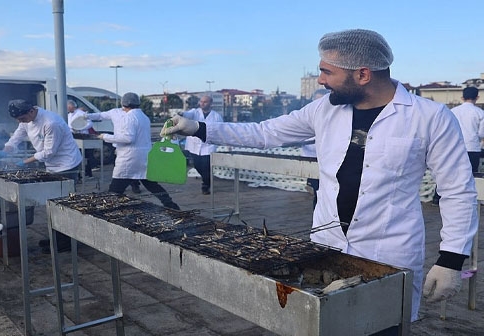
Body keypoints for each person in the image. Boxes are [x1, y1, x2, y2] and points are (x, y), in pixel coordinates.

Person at [162, 29, 478, 323]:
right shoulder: (324, 109)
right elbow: (265, 132)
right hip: (327, 245)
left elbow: (457, 190)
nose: (320, 80)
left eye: (328, 72)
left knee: (384, 326)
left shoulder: (430, 118)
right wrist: (200, 128)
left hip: (389, 251)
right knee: (327, 323)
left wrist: (451, 259)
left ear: (363, 74)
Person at [87, 92, 179, 209]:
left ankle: (107, 210)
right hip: (144, 156)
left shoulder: (129, 117)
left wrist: (104, 136)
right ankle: (172, 206)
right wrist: (87, 116)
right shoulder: (144, 117)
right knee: (151, 184)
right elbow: (101, 116)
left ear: (123, 104)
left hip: (129, 157)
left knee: (115, 188)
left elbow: (128, 138)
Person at [0, 99, 82, 180]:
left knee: (64, 194)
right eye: (18, 120)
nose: (20, 122)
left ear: (31, 111)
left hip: (67, 164)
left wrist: (24, 162)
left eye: (22, 119)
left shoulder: (51, 123)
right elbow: (16, 137)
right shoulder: (26, 120)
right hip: (51, 164)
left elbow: (49, 152)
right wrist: (5, 150)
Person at [180, 95, 223, 195]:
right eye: (201, 101)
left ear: (210, 103)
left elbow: (221, 130)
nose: (202, 103)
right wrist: (181, 113)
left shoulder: (216, 116)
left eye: (205, 102)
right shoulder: (195, 112)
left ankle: (206, 185)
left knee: (206, 167)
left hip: (208, 146)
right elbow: (187, 115)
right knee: (197, 165)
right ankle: (206, 179)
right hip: (194, 145)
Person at [450, 86, 484, 173]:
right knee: (472, 175)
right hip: (473, 147)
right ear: (477, 97)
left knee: (456, 174)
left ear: (462, 98)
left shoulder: (453, 111)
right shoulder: (480, 113)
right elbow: (481, 133)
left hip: (455, 147)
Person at [67, 99, 96, 178]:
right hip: (74, 137)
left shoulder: (81, 113)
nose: (67, 109)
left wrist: (80, 128)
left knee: (86, 156)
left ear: (72, 106)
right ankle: (79, 174)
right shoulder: (69, 115)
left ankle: (88, 173)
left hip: (83, 136)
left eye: (68, 107)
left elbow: (90, 123)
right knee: (77, 156)